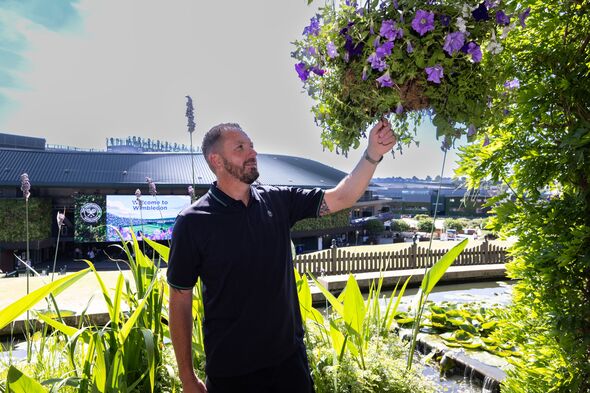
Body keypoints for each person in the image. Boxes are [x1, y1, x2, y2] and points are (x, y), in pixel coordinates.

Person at [167, 120, 396, 393]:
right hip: (233, 372)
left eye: (251, 146)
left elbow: (342, 197)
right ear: (216, 160)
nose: (252, 152)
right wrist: (187, 377)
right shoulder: (193, 222)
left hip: (289, 366)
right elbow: (179, 299)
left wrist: (372, 154)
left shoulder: (277, 200)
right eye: (240, 147)